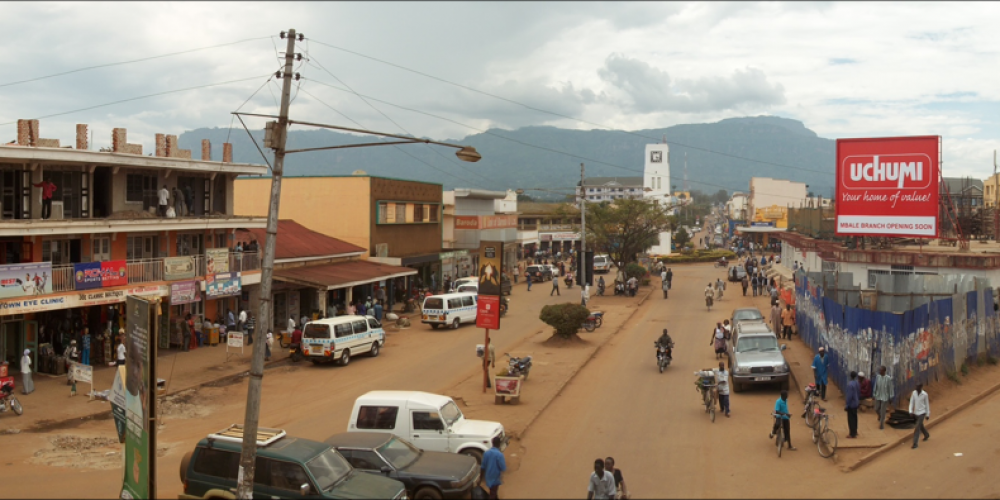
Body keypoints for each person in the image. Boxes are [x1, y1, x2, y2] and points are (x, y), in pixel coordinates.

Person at [909, 383, 931, 449]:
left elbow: (927, 405)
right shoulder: (914, 393)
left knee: (917, 428)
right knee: (920, 425)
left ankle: (915, 444)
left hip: (922, 413)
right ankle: (926, 434)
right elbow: (911, 402)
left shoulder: (925, 394)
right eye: (916, 385)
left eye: (917, 386)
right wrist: (910, 411)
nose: (916, 387)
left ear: (921, 387)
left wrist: (927, 414)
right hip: (916, 413)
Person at [873, 366, 894, 430]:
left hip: (885, 397)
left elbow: (891, 388)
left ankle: (881, 424)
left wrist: (891, 397)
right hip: (878, 395)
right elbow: (875, 386)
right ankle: (879, 415)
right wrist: (874, 394)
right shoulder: (878, 377)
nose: (880, 371)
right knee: (876, 408)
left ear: (884, 371)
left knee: (883, 411)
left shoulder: (888, 379)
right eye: (880, 370)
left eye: (881, 370)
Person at [845, 370, 860, 438]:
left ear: (850, 376)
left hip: (851, 404)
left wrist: (847, 405)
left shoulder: (850, 384)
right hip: (856, 403)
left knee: (851, 419)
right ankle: (855, 431)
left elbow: (849, 396)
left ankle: (852, 434)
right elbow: (858, 392)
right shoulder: (857, 383)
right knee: (855, 417)